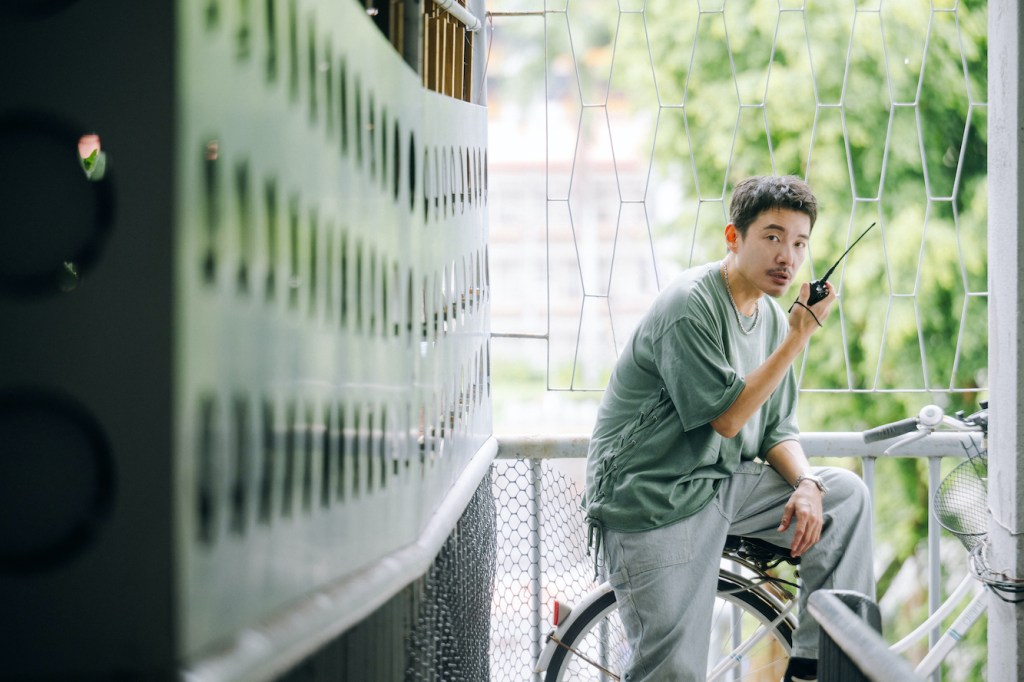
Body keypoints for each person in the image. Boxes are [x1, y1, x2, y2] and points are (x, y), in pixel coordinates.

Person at [584, 175, 875, 682]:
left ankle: (815, 668)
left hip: (719, 484)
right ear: (733, 237)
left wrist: (807, 483)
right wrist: (797, 337)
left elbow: (776, 427)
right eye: (772, 236)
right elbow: (728, 418)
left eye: (800, 242)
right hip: (652, 497)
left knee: (842, 497)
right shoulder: (689, 305)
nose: (788, 255)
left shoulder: (765, 317)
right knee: (673, 672)